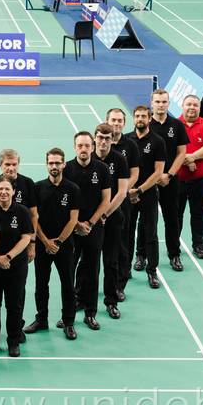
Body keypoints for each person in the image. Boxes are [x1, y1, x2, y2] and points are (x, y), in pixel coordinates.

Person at [0, 149, 38, 343]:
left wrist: (31, 245)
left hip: (17, 259)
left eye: (14, 164)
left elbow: (33, 217)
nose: (11, 168)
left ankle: (15, 335)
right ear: (0, 165)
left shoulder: (26, 188)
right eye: (7, 164)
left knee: (15, 301)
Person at [25, 148, 83, 340]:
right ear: (46, 165)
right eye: (51, 163)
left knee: (68, 285)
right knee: (41, 285)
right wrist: (44, 241)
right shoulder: (37, 187)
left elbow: (73, 220)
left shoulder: (73, 189)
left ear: (64, 164)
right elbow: (34, 218)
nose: (54, 166)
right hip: (42, 245)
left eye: (58, 163)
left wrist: (57, 242)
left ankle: (68, 322)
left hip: (64, 245)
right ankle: (41, 320)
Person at [63, 131, 111, 332]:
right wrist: (76, 225)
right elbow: (62, 202)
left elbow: (106, 200)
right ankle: (67, 316)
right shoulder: (66, 169)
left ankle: (90, 314)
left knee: (92, 271)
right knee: (68, 273)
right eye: (80, 146)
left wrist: (89, 224)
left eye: (87, 145)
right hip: (71, 229)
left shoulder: (102, 168)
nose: (83, 149)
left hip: (93, 228)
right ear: (74, 148)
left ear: (93, 147)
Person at [0, 175, 33, 357]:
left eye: (7, 189)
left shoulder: (22, 211)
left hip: (16, 266)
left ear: (14, 191)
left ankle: (13, 341)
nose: (3, 192)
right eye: (0, 189)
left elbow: (26, 238)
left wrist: (8, 257)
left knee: (14, 305)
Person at [125, 105, 167, 289]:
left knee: (151, 233)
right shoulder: (126, 140)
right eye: (137, 116)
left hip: (148, 194)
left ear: (150, 118)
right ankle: (125, 268)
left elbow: (158, 172)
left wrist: (140, 190)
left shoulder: (158, 141)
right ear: (133, 118)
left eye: (144, 116)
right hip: (127, 194)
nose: (140, 119)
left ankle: (152, 271)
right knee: (126, 233)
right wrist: (129, 191)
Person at [147, 89, 189, 272]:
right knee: (145, 220)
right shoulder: (146, 124)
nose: (161, 105)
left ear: (169, 104)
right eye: (157, 102)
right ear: (152, 104)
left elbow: (181, 153)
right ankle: (141, 255)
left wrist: (169, 175)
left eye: (164, 102)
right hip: (148, 182)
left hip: (170, 180)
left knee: (172, 219)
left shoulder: (177, 125)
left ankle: (174, 255)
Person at [90, 123, 129, 319]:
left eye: (107, 138)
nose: (103, 141)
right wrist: (93, 218)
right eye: (100, 137)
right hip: (91, 220)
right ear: (94, 139)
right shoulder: (88, 158)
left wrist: (104, 215)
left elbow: (122, 193)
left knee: (111, 261)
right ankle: (82, 298)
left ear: (112, 140)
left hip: (112, 217)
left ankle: (111, 302)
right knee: (88, 262)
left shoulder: (120, 159)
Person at [178, 95, 203, 260]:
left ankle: (198, 245)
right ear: (182, 106)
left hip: (200, 181)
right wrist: (188, 160)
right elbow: (169, 149)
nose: (191, 108)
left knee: (199, 215)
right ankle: (174, 246)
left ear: (200, 108)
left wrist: (191, 157)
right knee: (175, 215)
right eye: (188, 104)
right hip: (177, 181)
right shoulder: (174, 125)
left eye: (195, 105)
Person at [107, 108, 140, 300]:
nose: (116, 123)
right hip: (101, 202)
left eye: (119, 120)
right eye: (113, 120)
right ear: (107, 121)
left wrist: (121, 192)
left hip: (121, 200)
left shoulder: (131, 145)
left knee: (122, 243)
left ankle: (119, 284)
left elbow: (134, 174)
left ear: (124, 124)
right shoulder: (99, 143)